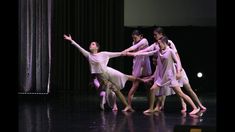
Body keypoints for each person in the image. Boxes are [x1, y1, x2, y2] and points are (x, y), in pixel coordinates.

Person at [127, 36, 200, 115]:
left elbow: (178, 62)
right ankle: (151, 108)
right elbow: (148, 53)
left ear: (164, 43)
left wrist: (178, 72)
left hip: (170, 77)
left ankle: (195, 108)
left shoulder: (170, 51)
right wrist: (132, 54)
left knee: (180, 93)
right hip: (161, 77)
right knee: (152, 89)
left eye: (159, 43)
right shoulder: (159, 50)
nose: (158, 45)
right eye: (158, 44)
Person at [64, 34, 137, 111]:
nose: (91, 45)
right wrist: (71, 40)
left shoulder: (103, 54)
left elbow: (116, 54)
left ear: (97, 47)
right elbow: (79, 48)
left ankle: (141, 82)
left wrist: (123, 53)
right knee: (111, 91)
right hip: (101, 78)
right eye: (91, 44)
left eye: (93, 44)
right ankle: (124, 105)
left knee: (121, 81)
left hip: (107, 73)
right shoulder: (88, 55)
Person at [123, 30, 152, 111]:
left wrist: (125, 51)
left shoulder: (144, 41)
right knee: (134, 86)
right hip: (137, 65)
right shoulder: (133, 43)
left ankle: (151, 106)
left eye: (135, 38)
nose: (134, 40)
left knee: (148, 87)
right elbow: (135, 50)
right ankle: (129, 106)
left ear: (141, 36)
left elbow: (135, 48)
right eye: (133, 38)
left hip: (145, 65)